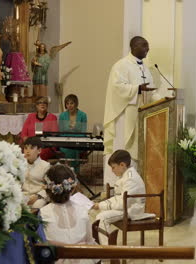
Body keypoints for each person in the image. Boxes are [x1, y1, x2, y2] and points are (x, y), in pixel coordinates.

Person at [103, 36, 156, 184]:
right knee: (122, 148)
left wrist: (165, 97)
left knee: (136, 151)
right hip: (124, 116)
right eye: (144, 46)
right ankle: (114, 186)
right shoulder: (121, 66)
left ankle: (133, 186)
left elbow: (151, 92)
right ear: (134, 46)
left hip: (140, 116)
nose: (148, 49)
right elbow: (117, 88)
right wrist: (137, 89)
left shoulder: (145, 68)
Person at [40, 164, 98, 264]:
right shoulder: (82, 211)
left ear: (47, 189)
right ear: (72, 188)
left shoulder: (42, 214)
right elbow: (90, 242)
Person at [93, 150, 150, 244]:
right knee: (100, 213)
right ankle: (101, 243)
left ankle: (106, 249)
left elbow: (122, 203)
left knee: (102, 217)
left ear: (122, 165)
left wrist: (100, 205)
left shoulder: (130, 179)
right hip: (126, 207)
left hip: (131, 210)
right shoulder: (126, 175)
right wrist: (100, 205)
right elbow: (118, 198)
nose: (112, 170)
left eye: (113, 167)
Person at [21, 96, 58, 160]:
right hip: (30, 145)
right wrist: (30, 145)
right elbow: (24, 134)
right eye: (40, 103)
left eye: (44, 103)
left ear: (47, 105)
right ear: (36, 106)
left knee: (37, 153)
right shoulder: (30, 116)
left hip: (46, 146)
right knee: (28, 152)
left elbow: (54, 134)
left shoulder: (52, 117)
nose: (42, 104)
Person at [59, 94, 88, 172]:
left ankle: (73, 173)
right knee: (67, 149)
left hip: (79, 140)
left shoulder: (83, 115)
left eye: (71, 103)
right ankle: (69, 172)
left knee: (75, 148)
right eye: (67, 104)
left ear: (76, 104)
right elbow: (61, 132)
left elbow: (83, 132)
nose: (69, 106)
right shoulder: (62, 115)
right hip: (65, 140)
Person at [22, 137, 51, 209]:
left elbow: (50, 186)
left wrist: (37, 196)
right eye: (25, 148)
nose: (27, 151)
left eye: (31, 148)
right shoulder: (20, 164)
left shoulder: (45, 166)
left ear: (39, 150)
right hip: (23, 194)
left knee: (36, 206)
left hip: (38, 196)